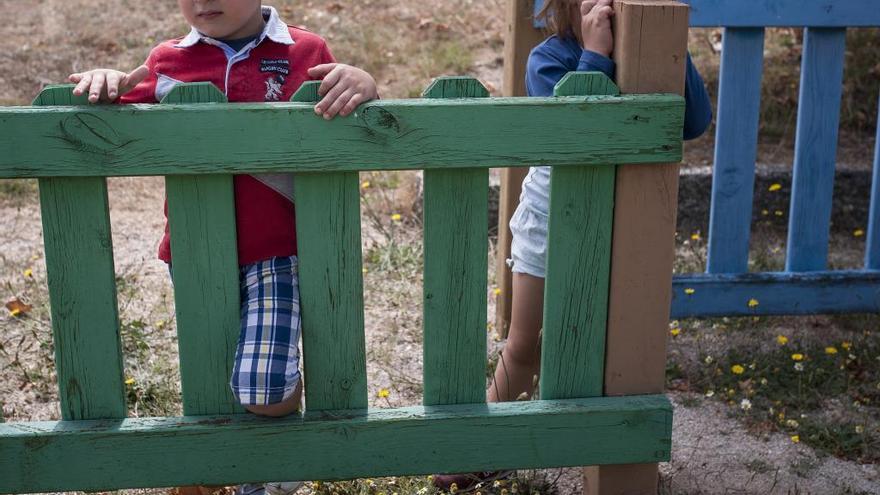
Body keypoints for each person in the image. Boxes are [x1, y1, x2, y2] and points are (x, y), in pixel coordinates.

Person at [68, 2, 379, 494]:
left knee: (262, 384)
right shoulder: (168, 61)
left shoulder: (303, 50)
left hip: (278, 252)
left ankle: (285, 444)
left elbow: (347, 108)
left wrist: (363, 83)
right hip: (195, 255)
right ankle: (243, 476)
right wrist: (106, 83)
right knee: (217, 380)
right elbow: (117, 112)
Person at [433, 0, 712, 491]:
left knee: (613, 346)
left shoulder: (654, 48)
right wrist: (598, 55)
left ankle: (604, 443)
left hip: (627, 221)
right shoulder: (550, 56)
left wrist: (674, 47)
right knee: (525, 342)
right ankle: (480, 446)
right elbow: (568, 132)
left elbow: (692, 122)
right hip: (552, 218)